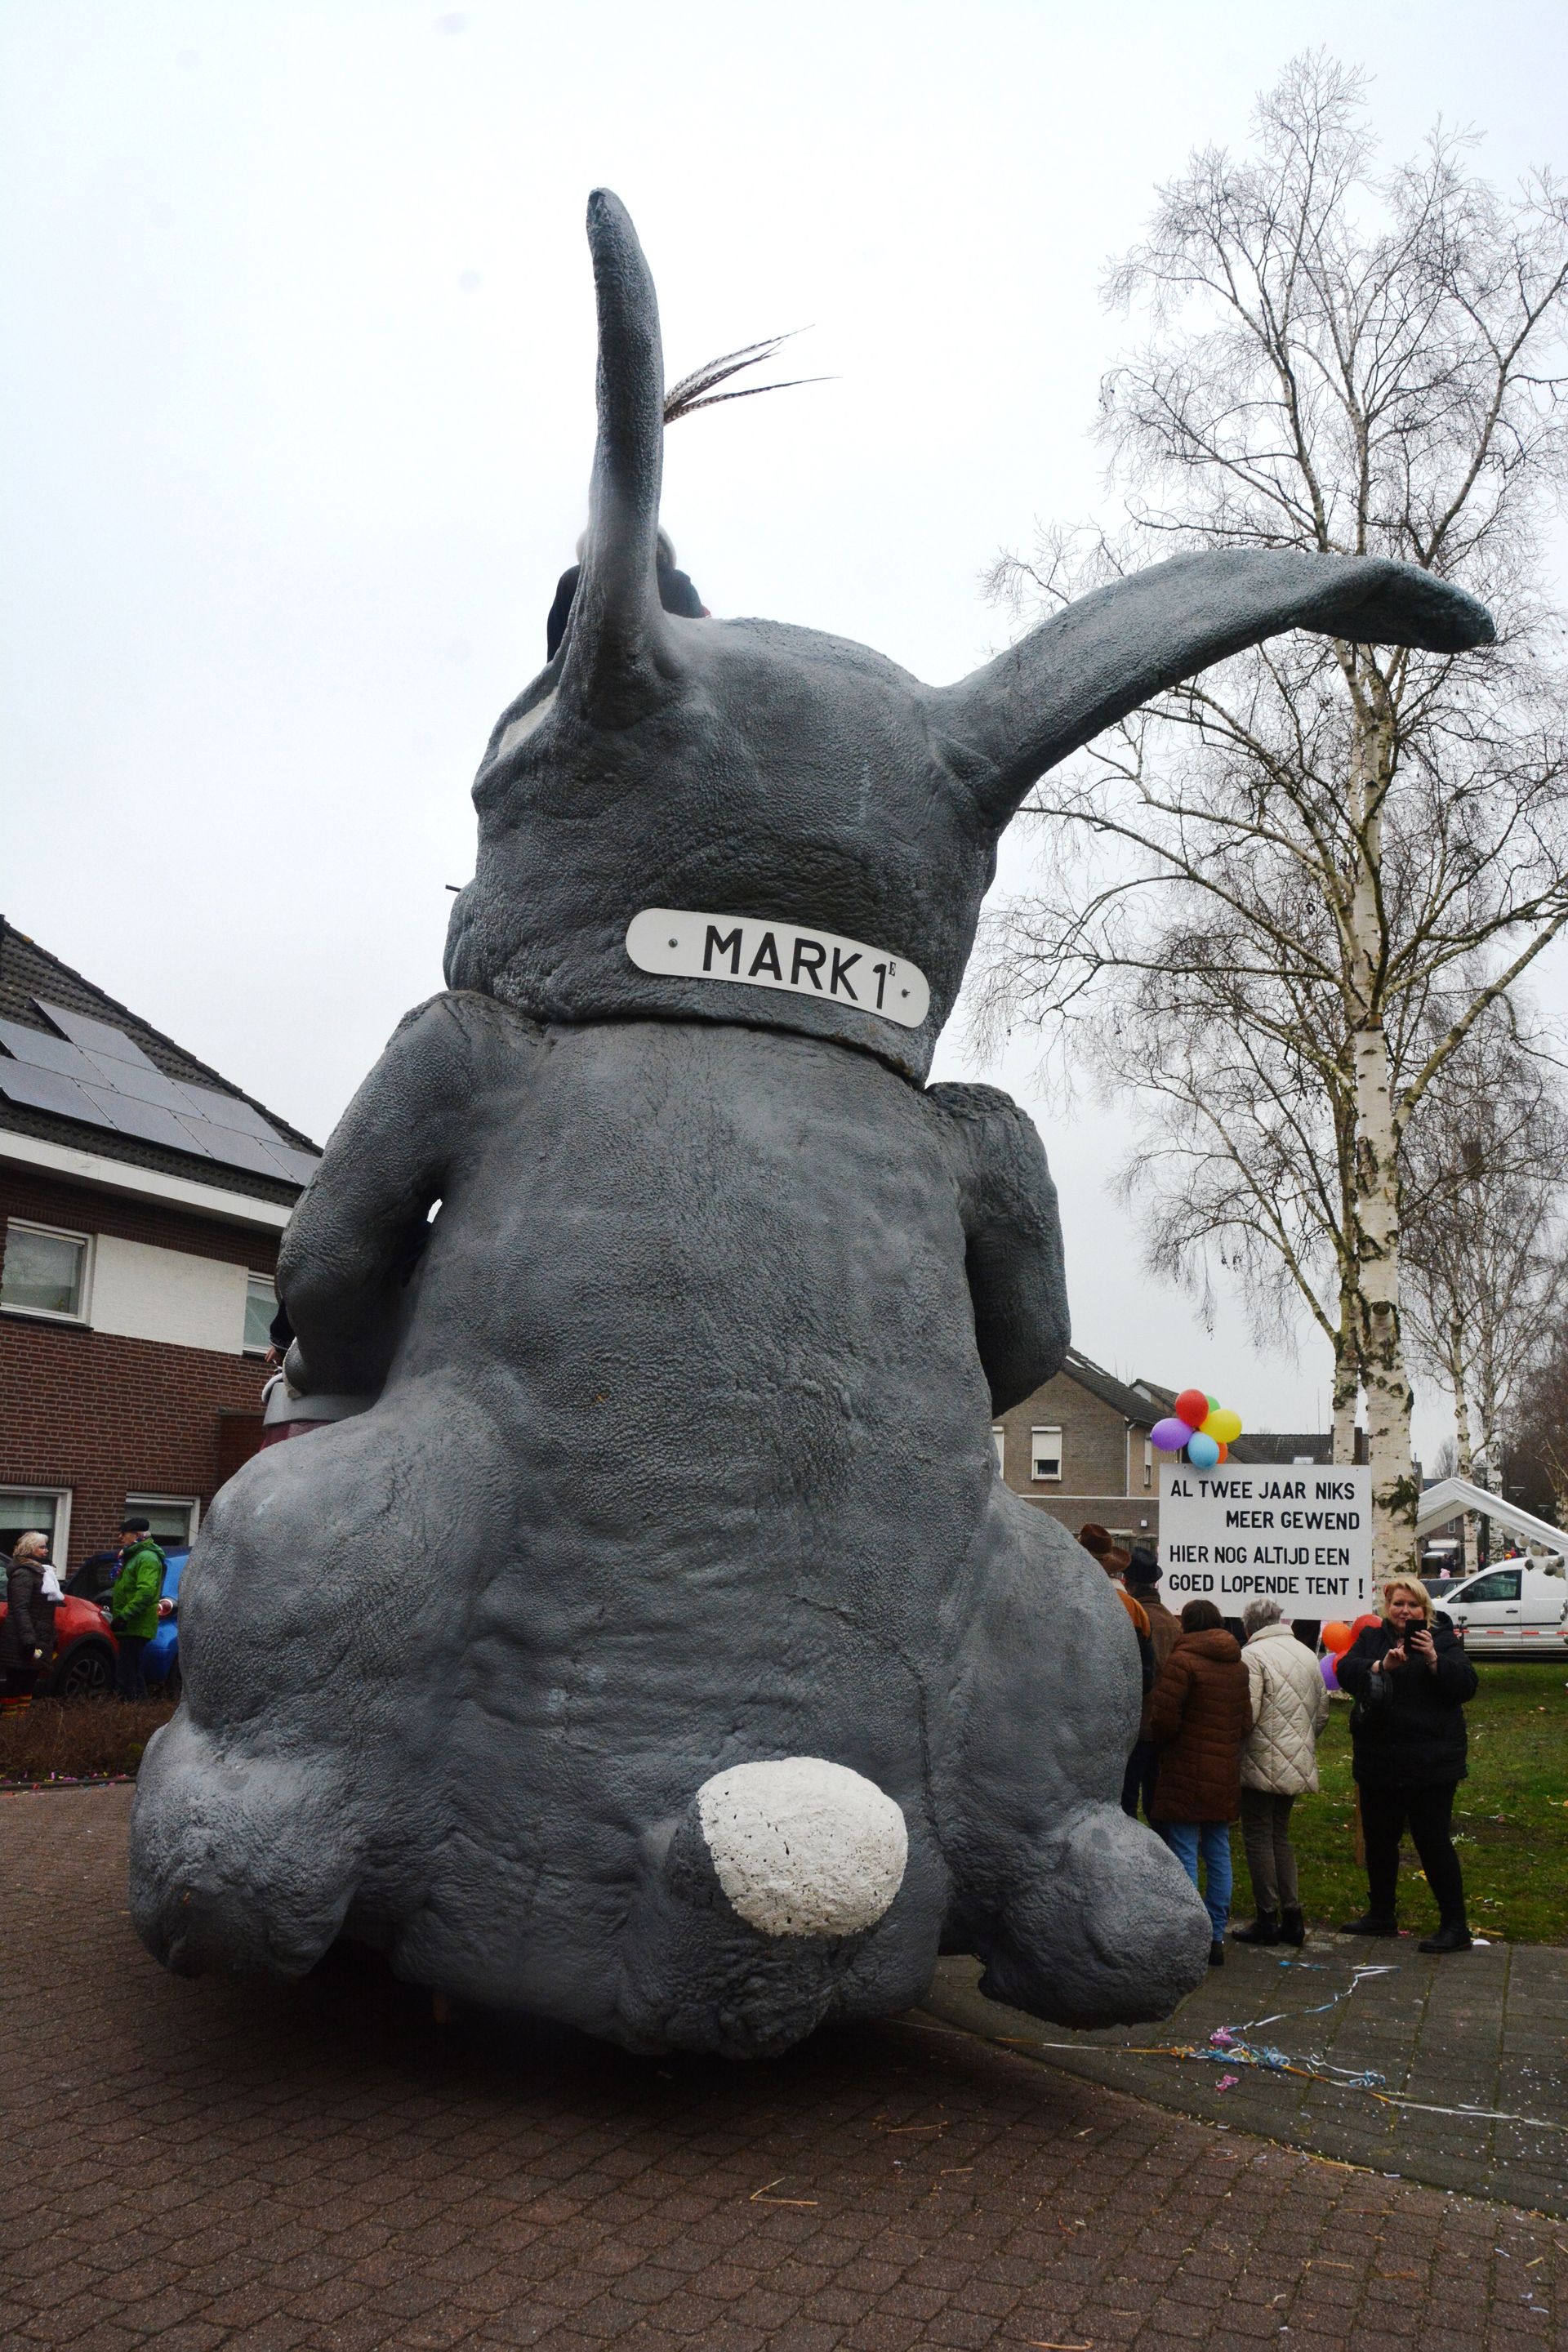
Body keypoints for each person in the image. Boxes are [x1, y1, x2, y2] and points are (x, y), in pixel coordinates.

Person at [1334, 1575, 1478, 1953]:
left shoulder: (1442, 1638)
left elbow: (1466, 1685)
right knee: (1380, 1840)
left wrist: (1433, 1659)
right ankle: (1381, 1914)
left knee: (1432, 1842)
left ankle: (1455, 1926)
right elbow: (1346, 1671)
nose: (1405, 1611)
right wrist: (1380, 1665)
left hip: (1431, 1763)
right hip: (1380, 1759)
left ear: (1424, 1609)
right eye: (1398, 1603)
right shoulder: (1373, 1638)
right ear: (1388, 1607)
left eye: (1413, 1605)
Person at [1147, 1598, 1253, 1965]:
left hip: (1184, 1769)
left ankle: (1188, 1936)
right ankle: (1215, 1935)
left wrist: (1161, 1744)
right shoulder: (1238, 1666)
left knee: (1184, 1850)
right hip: (1223, 1771)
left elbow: (1163, 1719)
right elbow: (1245, 1722)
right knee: (1219, 1851)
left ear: (1187, 1624)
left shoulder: (1182, 1661)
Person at [1232, 1598, 1330, 1946]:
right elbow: (1322, 1712)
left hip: (1259, 1758)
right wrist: (1302, 1742)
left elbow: (1247, 1713)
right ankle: (1293, 1916)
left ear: (1248, 1626)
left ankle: (1266, 1917)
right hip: (1296, 1757)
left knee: (1258, 1835)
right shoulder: (1306, 1654)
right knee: (1280, 1835)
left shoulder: (1252, 1656)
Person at [546, 528, 708, 659]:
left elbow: (556, 655)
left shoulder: (573, 580)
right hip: (668, 685)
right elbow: (701, 651)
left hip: (592, 686)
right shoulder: (680, 584)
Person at [1123, 1548, 1180, 1821]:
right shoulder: (1172, 1621)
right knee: (1157, 1802)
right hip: (1165, 1723)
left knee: (1126, 1802)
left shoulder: (1132, 1620)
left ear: (1128, 1583)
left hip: (1137, 1723)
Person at [107, 1517, 166, 1703]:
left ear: (137, 1535)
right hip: (131, 1625)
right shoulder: (133, 1556)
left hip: (136, 1624)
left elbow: (146, 1592)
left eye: (124, 1533)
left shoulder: (146, 1558)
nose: (120, 1537)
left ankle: (131, 1708)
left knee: (128, 1673)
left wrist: (125, 1615)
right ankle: (136, 1708)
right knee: (132, 1669)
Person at [2, 1531, 56, 1717]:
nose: (46, 1550)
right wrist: (28, 1640)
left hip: (37, 1635)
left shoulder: (44, 1572)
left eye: (46, 1547)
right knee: (16, 1682)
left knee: (29, 1682)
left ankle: (22, 1724)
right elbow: (20, 1608)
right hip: (21, 1638)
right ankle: (11, 1724)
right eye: (41, 1547)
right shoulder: (24, 1574)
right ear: (29, 1549)